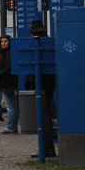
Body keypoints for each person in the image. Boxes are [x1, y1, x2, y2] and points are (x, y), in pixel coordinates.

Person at [25, 18, 56, 158]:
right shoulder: (48, 42)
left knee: (44, 120)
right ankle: (46, 149)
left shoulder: (39, 44)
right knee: (44, 119)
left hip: (43, 88)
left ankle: (47, 149)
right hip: (48, 87)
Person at [0, 35, 19, 134]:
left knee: (10, 106)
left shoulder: (8, 53)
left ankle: (10, 127)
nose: (3, 43)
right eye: (2, 41)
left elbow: (9, 67)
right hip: (6, 82)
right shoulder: (6, 53)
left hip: (7, 82)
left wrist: (0, 74)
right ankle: (13, 127)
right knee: (11, 105)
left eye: (5, 41)